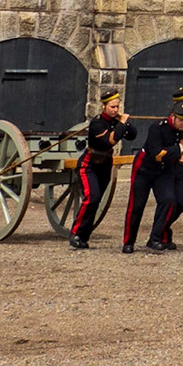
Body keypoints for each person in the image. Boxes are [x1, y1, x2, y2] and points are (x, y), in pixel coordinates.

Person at [121, 92, 183, 254]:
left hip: (164, 171)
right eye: (182, 120)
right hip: (145, 169)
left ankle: (155, 237)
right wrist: (179, 149)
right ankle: (128, 241)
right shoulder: (157, 128)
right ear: (173, 117)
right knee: (136, 206)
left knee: (169, 200)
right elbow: (157, 154)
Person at [69, 89, 134, 249]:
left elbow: (132, 135)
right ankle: (76, 233)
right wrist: (121, 124)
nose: (115, 110)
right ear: (104, 106)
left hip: (105, 165)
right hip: (89, 164)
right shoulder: (97, 123)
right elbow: (109, 142)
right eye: (112, 107)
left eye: (117, 107)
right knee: (92, 197)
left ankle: (84, 237)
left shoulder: (116, 121)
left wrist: (126, 123)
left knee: (97, 202)